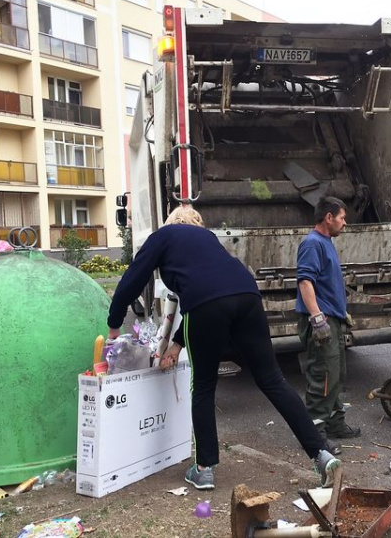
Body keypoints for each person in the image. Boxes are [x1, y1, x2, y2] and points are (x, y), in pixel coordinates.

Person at [107, 206, 340, 490]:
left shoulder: (163, 235)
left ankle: (204, 468)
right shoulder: (207, 239)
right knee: (272, 379)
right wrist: (178, 342)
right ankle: (321, 454)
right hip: (248, 296)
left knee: (204, 385)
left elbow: (134, 278)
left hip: (207, 305)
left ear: (171, 222)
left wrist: (114, 326)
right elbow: (213, 289)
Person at [296, 197, 360, 450]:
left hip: (332, 319)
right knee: (322, 377)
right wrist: (317, 317)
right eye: (342, 218)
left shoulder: (326, 242)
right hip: (320, 322)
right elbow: (305, 281)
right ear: (328, 217)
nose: (345, 223)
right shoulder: (312, 243)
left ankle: (334, 423)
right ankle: (314, 436)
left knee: (336, 375)